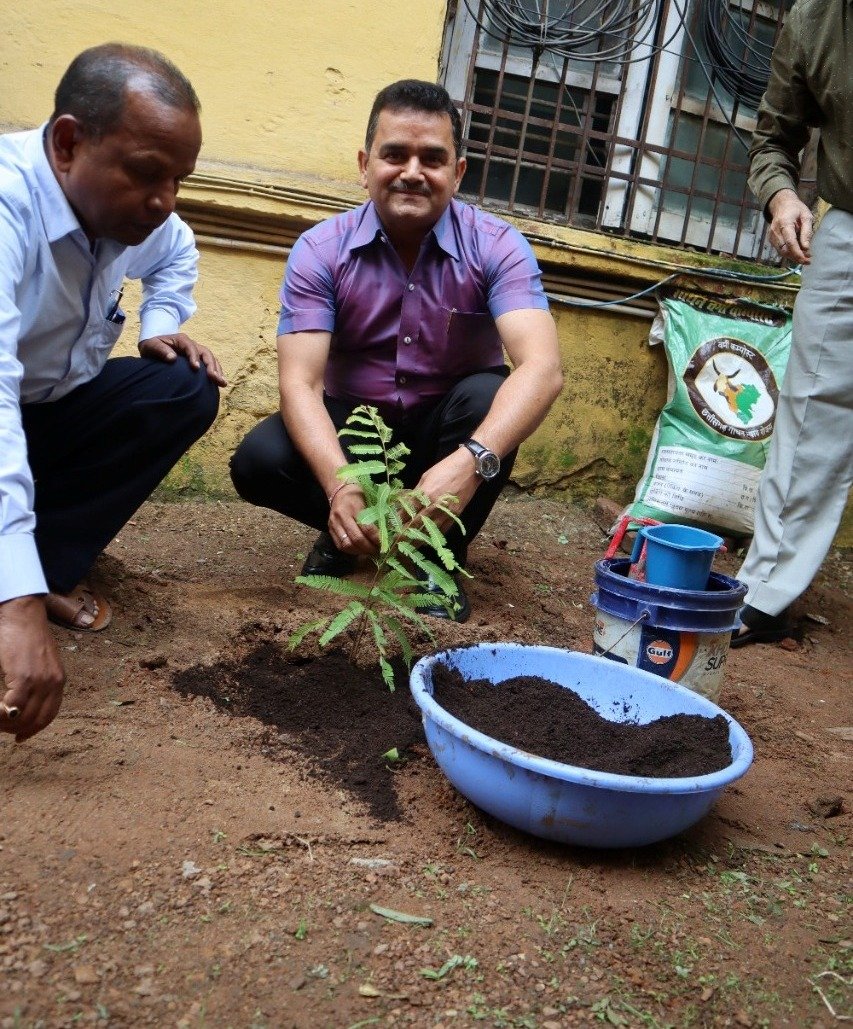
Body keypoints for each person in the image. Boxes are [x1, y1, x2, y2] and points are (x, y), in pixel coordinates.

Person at [230, 79, 563, 622]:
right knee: (259, 460)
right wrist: (340, 485)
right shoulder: (320, 250)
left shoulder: (497, 246)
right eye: (394, 154)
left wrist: (469, 463)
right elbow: (301, 383)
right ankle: (346, 529)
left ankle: (435, 556)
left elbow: (543, 368)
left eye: (432, 158)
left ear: (457, 173)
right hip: (356, 430)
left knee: (489, 396)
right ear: (365, 165)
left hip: (447, 435)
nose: (412, 171)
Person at [0, 43, 226, 741]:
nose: (165, 201)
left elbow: (178, 250)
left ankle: (47, 569)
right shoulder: (8, 210)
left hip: (50, 410)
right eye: (148, 175)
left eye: (179, 180)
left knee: (179, 388)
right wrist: (16, 609)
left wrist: (160, 325)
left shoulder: (136, 215)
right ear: (69, 142)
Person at [732, 0, 853, 648]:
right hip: (850, 227)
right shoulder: (813, 20)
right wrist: (781, 196)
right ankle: (764, 594)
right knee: (810, 410)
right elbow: (773, 137)